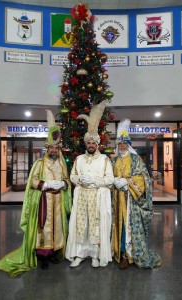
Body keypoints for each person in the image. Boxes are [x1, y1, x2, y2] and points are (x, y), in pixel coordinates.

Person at [0, 110, 72, 276]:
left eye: (55, 148)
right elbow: (33, 182)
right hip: (44, 201)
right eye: (51, 147)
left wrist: (63, 184)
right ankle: (43, 257)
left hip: (58, 202)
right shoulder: (39, 163)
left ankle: (54, 254)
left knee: (57, 229)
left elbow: (67, 180)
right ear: (47, 148)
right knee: (43, 230)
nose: (53, 150)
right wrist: (46, 184)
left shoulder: (62, 164)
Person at [65, 101, 114, 268]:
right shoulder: (79, 159)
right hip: (82, 196)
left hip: (97, 196)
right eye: (89, 143)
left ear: (97, 144)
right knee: (81, 224)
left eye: (94, 143)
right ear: (86, 144)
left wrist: (94, 181)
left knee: (95, 225)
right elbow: (72, 176)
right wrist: (79, 180)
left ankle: (94, 254)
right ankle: (80, 253)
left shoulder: (104, 159)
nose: (91, 145)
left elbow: (110, 180)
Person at [112, 119, 161, 270]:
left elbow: (143, 178)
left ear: (128, 144)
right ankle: (119, 252)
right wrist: (113, 181)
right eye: (119, 144)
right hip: (116, 199)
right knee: (117, 226)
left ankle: (129, 255)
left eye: (124, 143)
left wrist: (127, 183)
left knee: (128, 228)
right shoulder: (113, 160)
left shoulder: (136, 159)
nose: (122, 146)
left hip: (131, 201)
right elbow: (108, 176)